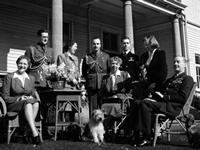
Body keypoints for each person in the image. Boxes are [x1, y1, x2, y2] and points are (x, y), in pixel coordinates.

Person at [130, 56, 194, 147]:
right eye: (174, 62)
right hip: (163, 104)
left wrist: (164, 97)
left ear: (184, 64)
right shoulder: (170, 79)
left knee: (145, 104)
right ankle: (135, 134)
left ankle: (146, 137)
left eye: (178, 62)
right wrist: (152, 94)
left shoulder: (187, 79)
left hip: (173, 107)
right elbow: (159, 90)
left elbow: (182, 97)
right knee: (138, 102)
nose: (175, 64)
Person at [2, 55, 42, 145]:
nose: (22, 65)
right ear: (17, 64)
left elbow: (32, 94)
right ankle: (34, 133)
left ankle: (26, 132)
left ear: (28, 66)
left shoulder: (31, 78)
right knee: (28, 103)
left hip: (27, 104)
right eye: (20, 63)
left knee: (36, 103)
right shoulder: (9, 77)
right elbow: (5, 97)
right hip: (13, 105)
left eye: (25, 64)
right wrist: (19, 98)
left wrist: (31, 97)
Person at [25, 29, 54, 139]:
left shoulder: (50, 51)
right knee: (34, 105)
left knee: (45, 107)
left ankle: (44, 130)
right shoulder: (31, 49)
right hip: (35, 82)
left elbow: (51, 67)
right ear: (39, 37)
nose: (45, 38)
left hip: (46, 83)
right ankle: (31, 130)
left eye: (47, 36)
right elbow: (26, 66)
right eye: (43, 37)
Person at [82, 37, 110, 115]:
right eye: (94, 44)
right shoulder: (87, 57)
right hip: (92, 85)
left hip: (103, 85)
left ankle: (104, 125)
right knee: (93, 108)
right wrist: (89, 79)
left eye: (97, 44)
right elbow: (84, 72)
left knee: (103, 106)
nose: (96, 45)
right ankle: (93, 125)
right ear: (92, 45)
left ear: (100, 45)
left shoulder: (106, 56)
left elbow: (109, 71)